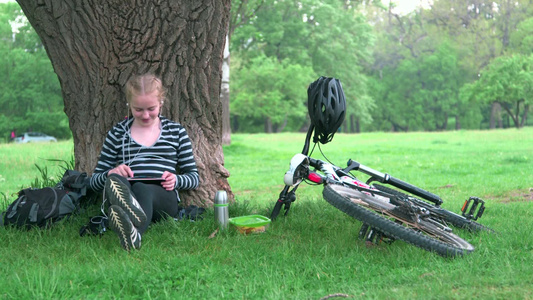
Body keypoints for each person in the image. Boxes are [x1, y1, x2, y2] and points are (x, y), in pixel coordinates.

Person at [89, 73, 200, 251]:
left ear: (161, 103)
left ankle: (134, 229)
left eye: (151, 108)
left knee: (142, 188)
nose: (146, 115)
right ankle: (131, 226)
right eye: (138, 110)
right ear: (129, 105)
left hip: (162, 198)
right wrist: (111, 173)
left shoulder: (176, 132)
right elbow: (93, 182)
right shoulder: (118, 133)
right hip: (128, 190)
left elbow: (194, 177)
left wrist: (176, 180)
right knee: (118, 181)